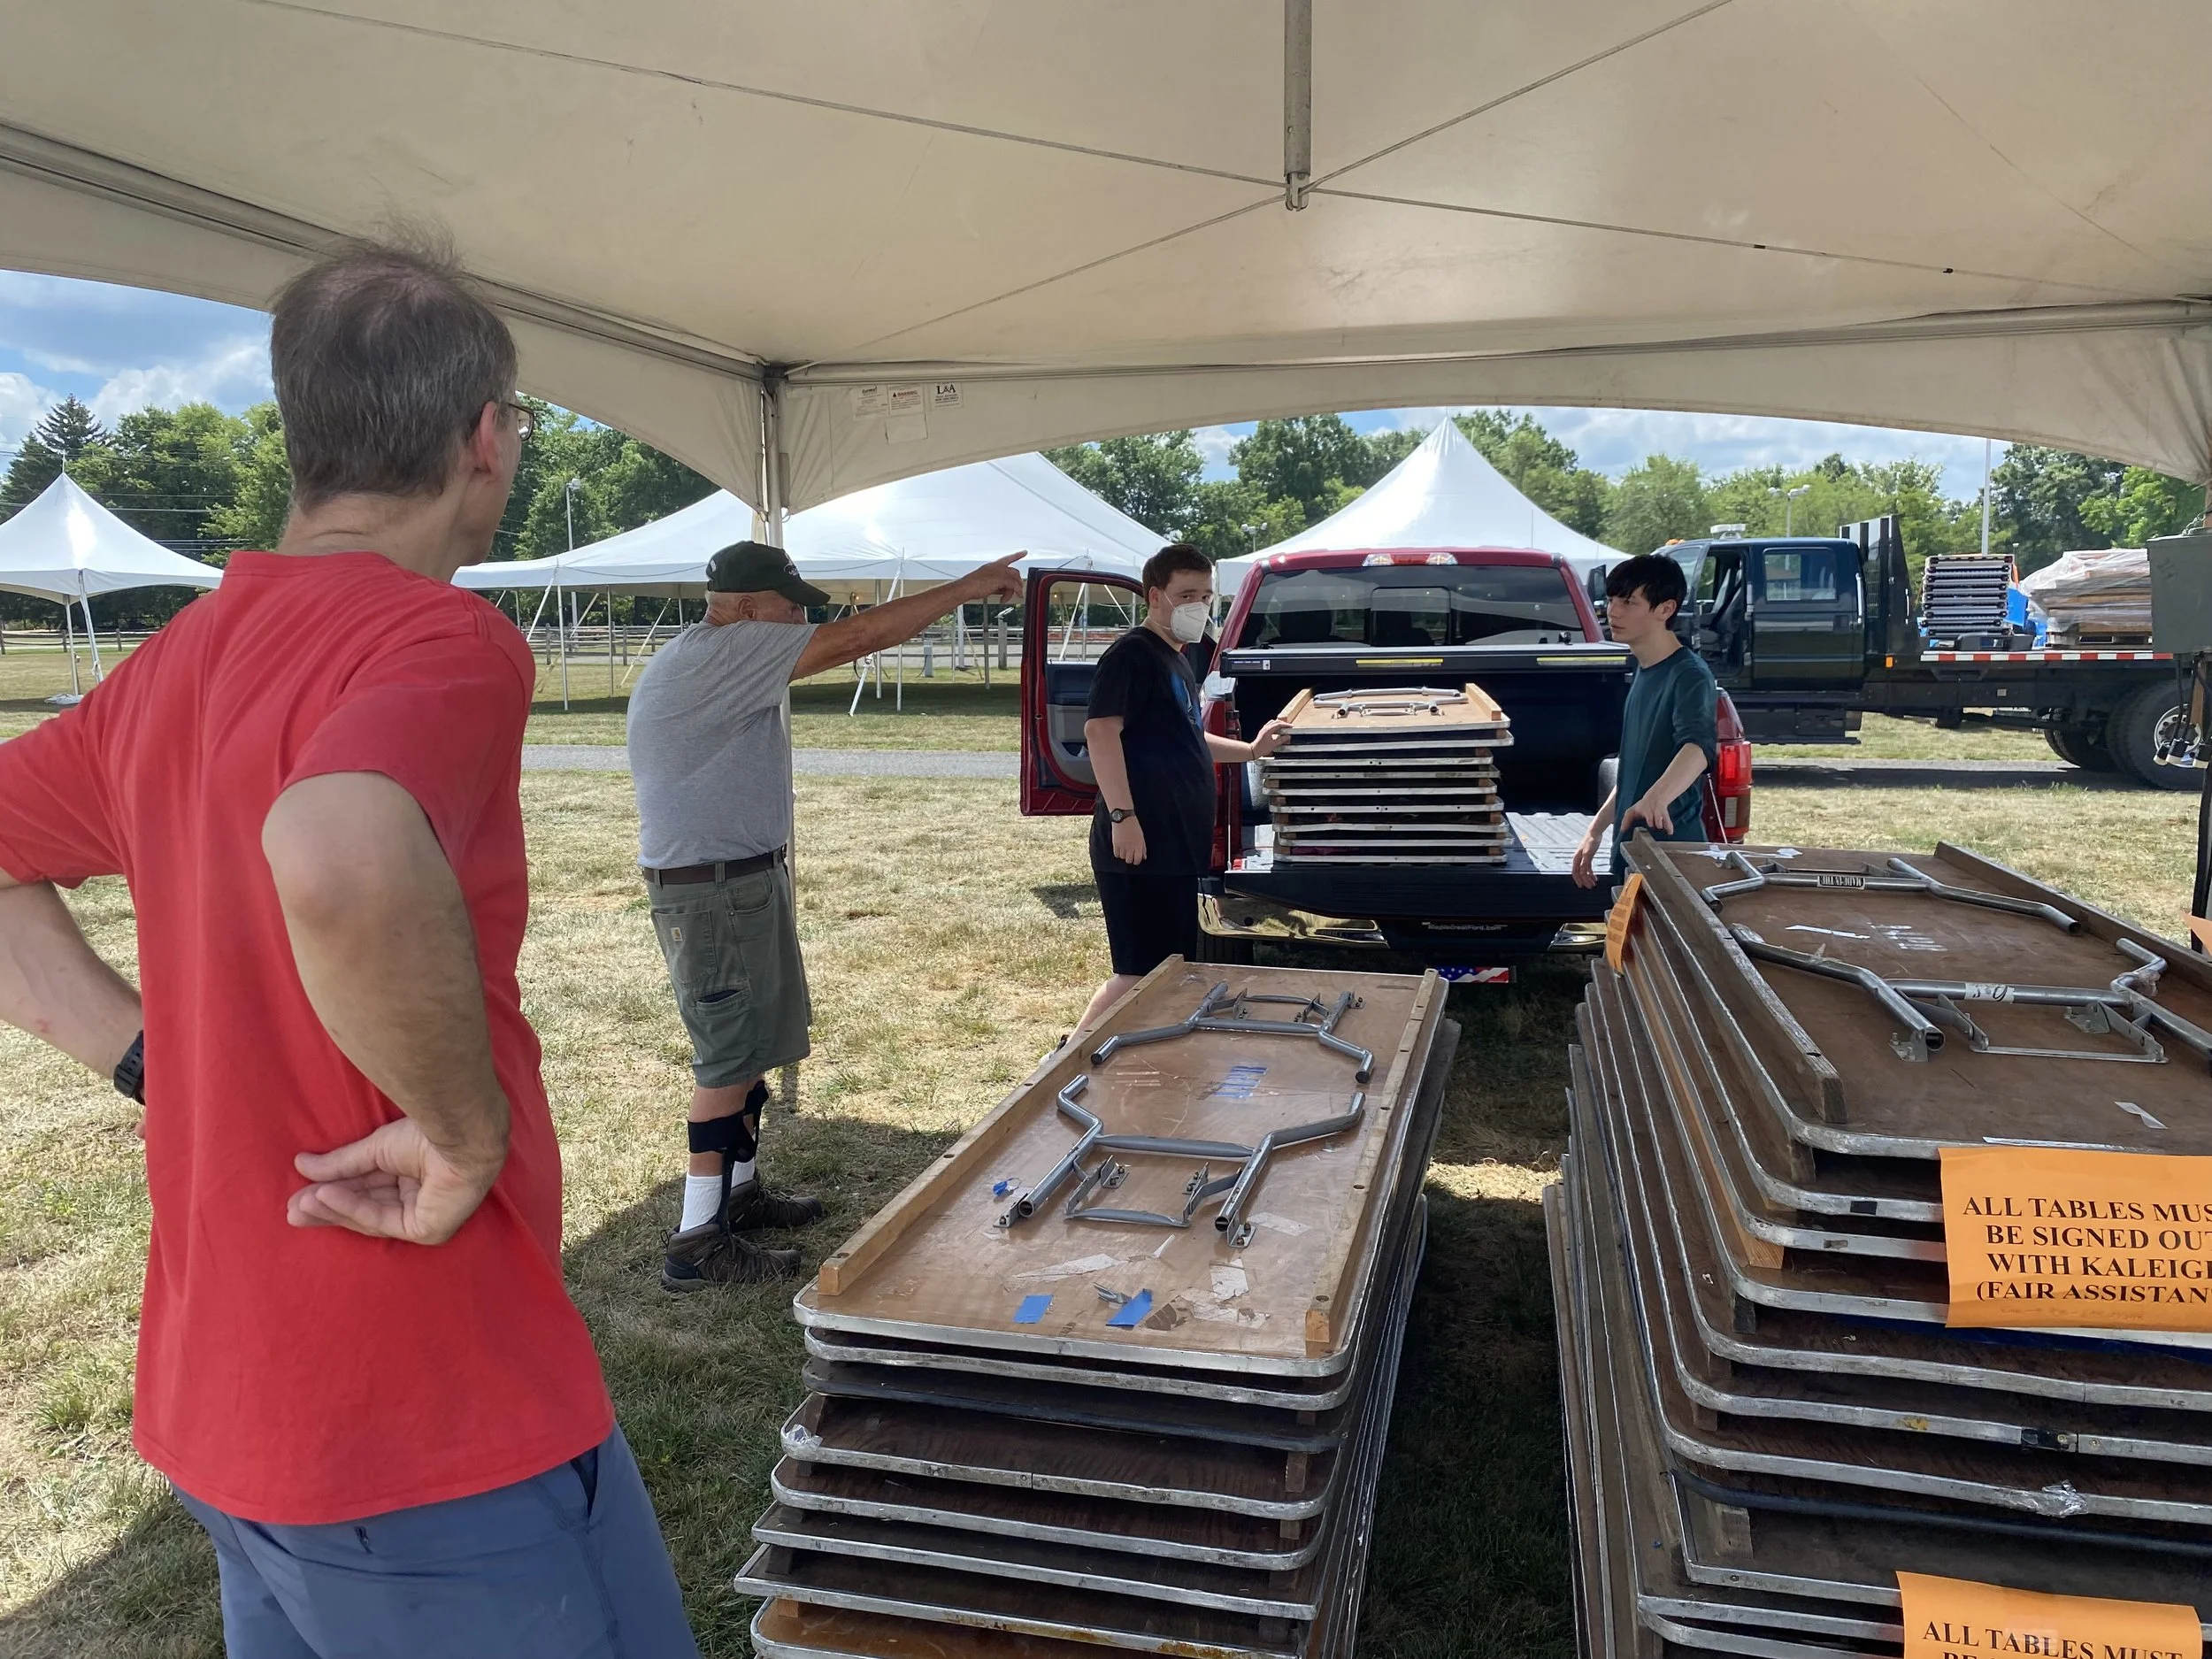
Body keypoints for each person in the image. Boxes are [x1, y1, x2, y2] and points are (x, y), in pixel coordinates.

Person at [0, 236, 698, 1657]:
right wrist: (457, 1127)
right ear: (487, 437)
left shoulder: (170, 665)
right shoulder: (442, 641)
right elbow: (337, 849)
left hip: (243, 1401)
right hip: (414, 1406)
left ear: (302, 434)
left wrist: (145, 1052)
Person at [628, 540, 1024, 1289]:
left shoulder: (713, 648)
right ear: (746, 609)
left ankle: (737, 1194)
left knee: (749, 1047)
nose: (802, 616)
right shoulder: (728, 648)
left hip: (731, 881)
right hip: (714, 890)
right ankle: (696, 1236)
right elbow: (864, 635)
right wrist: (966, 583)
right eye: (790, 604)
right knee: (727, 1054)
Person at [1075, 543, 1292, 1029]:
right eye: (1187, 594)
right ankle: (1070, 1057)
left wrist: (1253, 750)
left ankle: (1133, 1056)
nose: (1200, 606)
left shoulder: (1177, 657)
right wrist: (1123, 818)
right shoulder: (1133, 654)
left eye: (1207, 595)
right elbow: (1100, 732)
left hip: (1174, 844)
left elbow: (1189, 738)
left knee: (1166, 969)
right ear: (1155, 596)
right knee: (1138, 972)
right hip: (1139, 844)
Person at [1572, 551, 1719, 887]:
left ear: (1665, 609)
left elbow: (1698, 747)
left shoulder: (1690, 674)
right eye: (1611, 600)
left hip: (1670, 856)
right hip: (1631, 852)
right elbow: (1633, 770)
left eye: (1628, 601)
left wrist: (1657, 798)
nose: (1613, 611)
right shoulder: (1643, 671)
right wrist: (1595, 831)